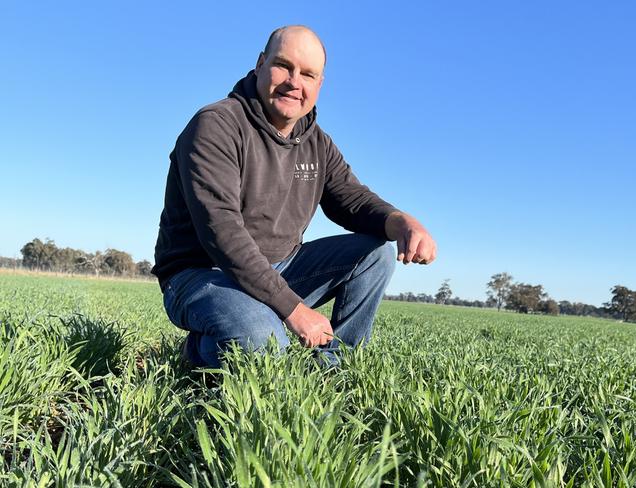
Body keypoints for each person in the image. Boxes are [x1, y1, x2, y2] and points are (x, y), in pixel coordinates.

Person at [152, 25, 436, 367]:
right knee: (266, 339)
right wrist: (293, 309)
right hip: (201, 273)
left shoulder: (317, 143)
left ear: (319, 84)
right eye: (283, 65)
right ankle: (198, 352)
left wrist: (401, 221)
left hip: (281, 267)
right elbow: (222, 232)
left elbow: (352, 199)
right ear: (260, 64)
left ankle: (330, 371)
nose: (294, 81)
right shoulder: (216, 125)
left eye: (308, 74)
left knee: (376, 255)